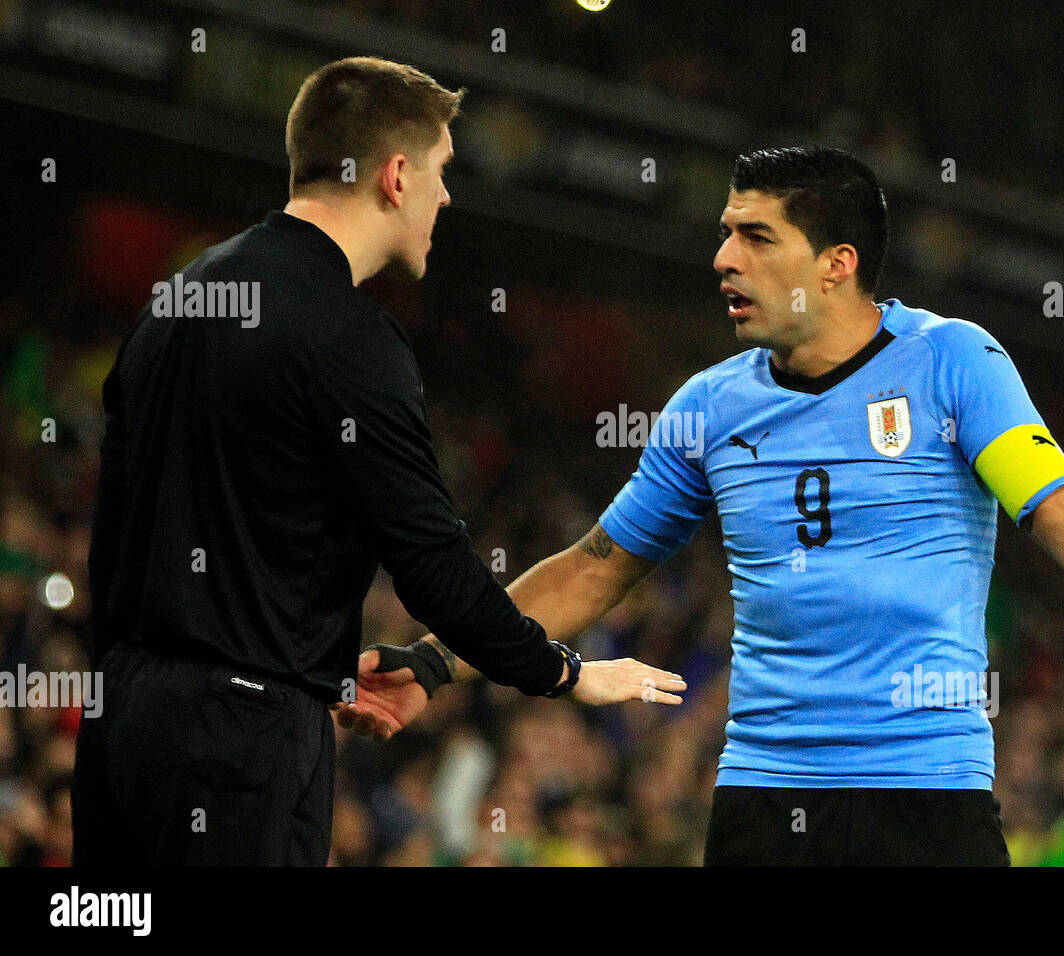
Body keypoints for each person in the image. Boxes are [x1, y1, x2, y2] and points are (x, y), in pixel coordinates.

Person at [341, 145, 1064, 866]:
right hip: (767, 798)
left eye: (756, 237)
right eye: (726, 233)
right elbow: (595, 569)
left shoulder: (955, 363)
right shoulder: (708, 406)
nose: (723, 258)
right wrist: (433, 661)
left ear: (836, 265)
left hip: (926, 793)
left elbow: (1057, 507)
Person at [73, 56, 684, 868]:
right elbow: (432, 565)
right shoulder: (350, 338)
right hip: (242, 742)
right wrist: (563, 673)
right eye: (441, 172)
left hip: (121, 722)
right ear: (395, 175)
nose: (447, 196)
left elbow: (111, 532)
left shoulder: (176, 300)